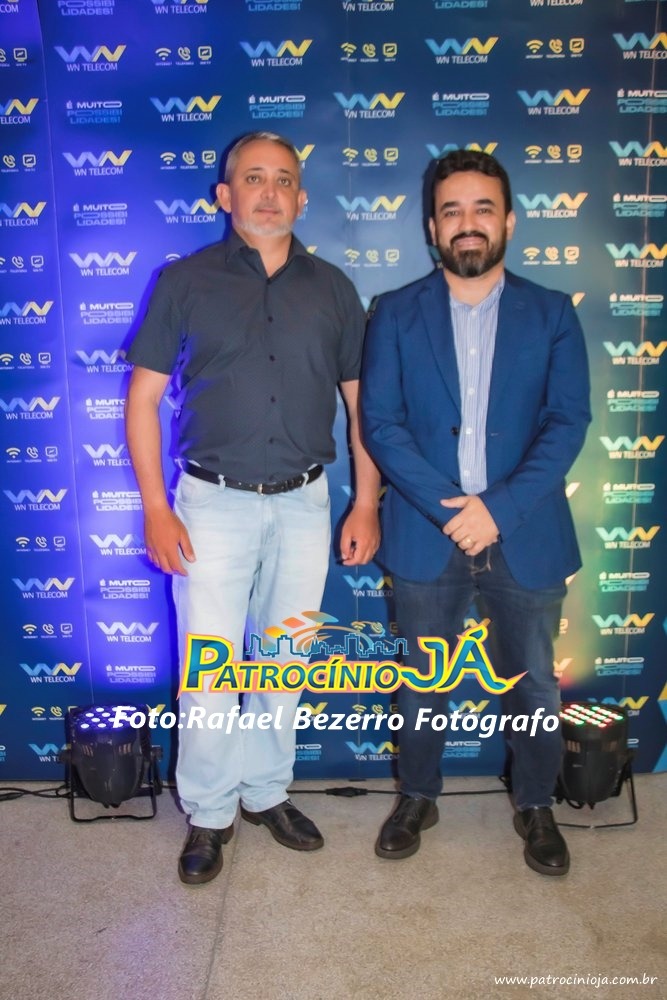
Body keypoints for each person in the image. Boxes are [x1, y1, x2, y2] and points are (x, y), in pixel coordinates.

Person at [125, 131, 380, 885]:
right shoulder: (184, 281)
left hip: (305, 502)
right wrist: (155, 508)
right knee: (208, 668)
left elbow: (361, 408)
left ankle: (266, 792)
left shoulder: (333, 288)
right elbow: (141, 401)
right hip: (209, 503)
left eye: (283, 180)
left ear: (302, 197)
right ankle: (209, 812)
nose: (269, 192)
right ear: (224, 195)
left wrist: (365, 500)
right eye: (253, 178)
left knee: (282, 660)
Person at [361, 149, 590, 876]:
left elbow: (567, 422)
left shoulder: (552, 313)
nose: (468, 223)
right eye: (451, 210)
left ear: (509, 221)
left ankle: (535, 803)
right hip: (427, 533)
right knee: (423, 680)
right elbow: (381, 425)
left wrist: (497, 509)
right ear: (432, 227)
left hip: (526, 530)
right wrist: (451, 512)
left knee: (533, 682)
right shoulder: (393, 312)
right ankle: (417, 796)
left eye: (482, 208)